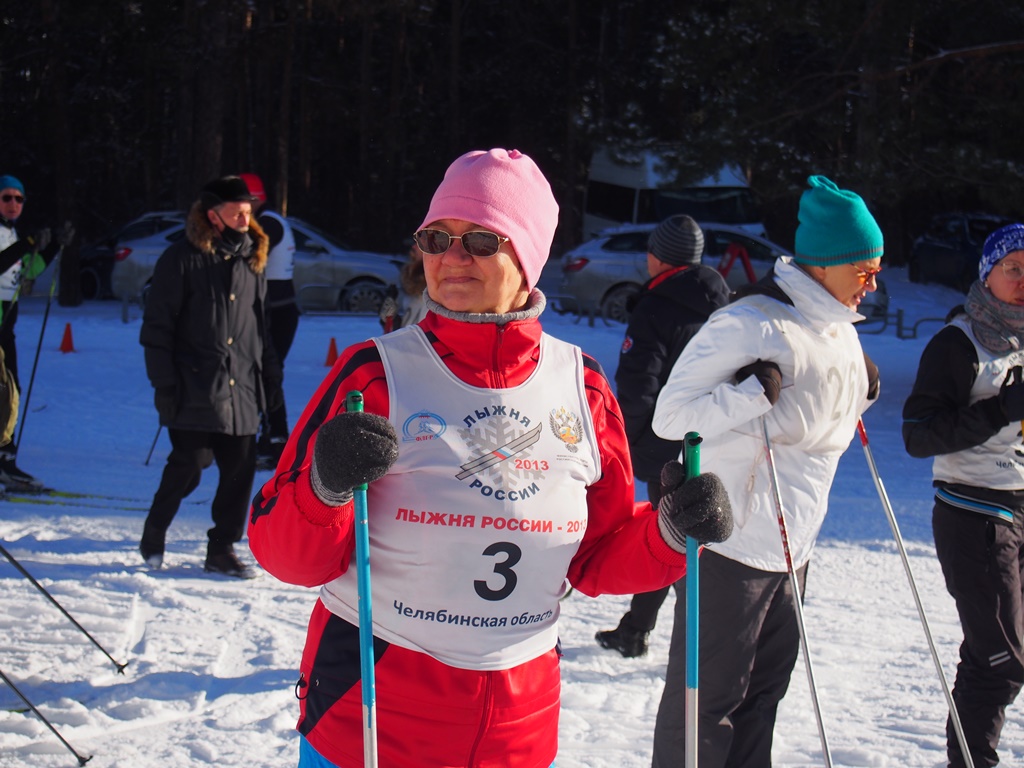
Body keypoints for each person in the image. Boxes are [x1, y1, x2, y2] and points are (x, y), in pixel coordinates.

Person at [247, 148, 733, 768]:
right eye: (436, 237)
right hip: (371, 726)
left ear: (526, 260)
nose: (452, 256)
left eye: (480, 239)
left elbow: (595, 555)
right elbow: (286, 554)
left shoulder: (580, 387)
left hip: (516, 731)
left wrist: (669, 532)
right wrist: (324, 487)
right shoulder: (374, 373)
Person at [650, 174, 883, 767]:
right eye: (865, 270)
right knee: (704, 707)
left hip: (793, 549)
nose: (873, 283)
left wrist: (863, 391)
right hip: (729, 547)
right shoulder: (750, 322)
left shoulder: (839, 335)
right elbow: (670, 417)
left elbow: (818, 426)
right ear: (828, 263)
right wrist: (749, 394)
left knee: (763, 700)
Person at [903, 223, 1024, 768]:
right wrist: (1002, 407)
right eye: (1013, 269)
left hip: (1020, 509)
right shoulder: (958, 342)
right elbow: (918, 433)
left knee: (994, 658)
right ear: (988, 274)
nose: (1023, 281)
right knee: (1001, 657)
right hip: (973, 512)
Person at [595, 214, 731, 658]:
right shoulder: (723, 304)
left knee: (672, 540)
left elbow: (638, 383)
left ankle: (679, 642)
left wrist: (631, 442)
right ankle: (635, 629)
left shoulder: (656, 306)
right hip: (714, 436)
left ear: (658, 258)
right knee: (682, 534)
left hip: (663, 440)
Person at [139, 175, 281, 578]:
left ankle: (221, 548)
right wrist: (164, 385)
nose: (245, 218)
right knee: (188, 464)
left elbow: (260, 328)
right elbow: (157, 329)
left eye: (248, 211)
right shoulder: (181, 259)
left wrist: (271, 381)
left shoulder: (253, 260)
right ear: (212, 215)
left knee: (240, 472)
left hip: (242, 389)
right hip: (194, 385)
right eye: (237, 211)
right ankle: (155, 529)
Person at [0, 174, 73, 490]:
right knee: (6, 393)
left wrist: (55, 243)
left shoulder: (10, 232)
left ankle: (5, 458)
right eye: (6, 197)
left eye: (19, 199)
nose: (14, 204)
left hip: (7, 322)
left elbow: (29, 270)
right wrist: (27, 245)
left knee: (10, 391)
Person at [238, 173, 296, 470]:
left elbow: (247, 253)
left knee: (267, 374)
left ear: (254, 199)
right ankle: (271, 437)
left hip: (276, 311)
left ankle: (276, 440)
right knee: (262, 374)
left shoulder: (269, 222)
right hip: (274, 309)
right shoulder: (271, 219)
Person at [379, 238, 428, 332]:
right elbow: (406, 320)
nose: (414, 246)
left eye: (420, 243)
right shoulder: (410, 281)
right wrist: (390, 318)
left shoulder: (438, 284)